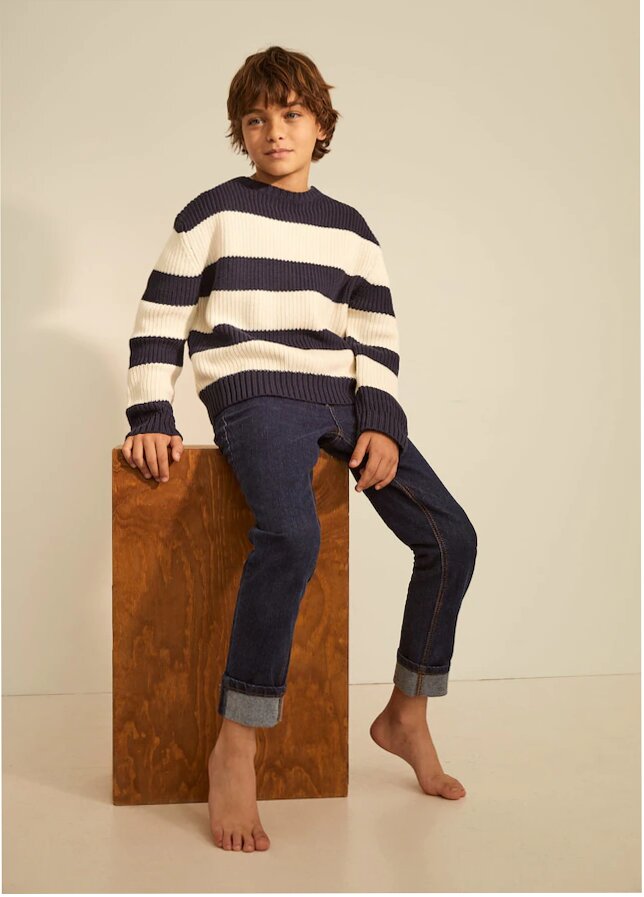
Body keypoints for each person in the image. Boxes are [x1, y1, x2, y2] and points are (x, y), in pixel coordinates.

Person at [121, 45, 478, 853]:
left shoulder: (351, 230)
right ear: (240, 133)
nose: (274, 132)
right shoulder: (211, 212)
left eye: (290, 115)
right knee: (290, 535)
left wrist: (379, 418)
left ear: (321, 126)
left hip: (342, 399)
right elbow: (159, 317)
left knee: (451, 537)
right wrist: (151, 412)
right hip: (252, 392)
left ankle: (407, 713)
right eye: (256, 120)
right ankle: (237, 742)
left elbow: (375, 335)